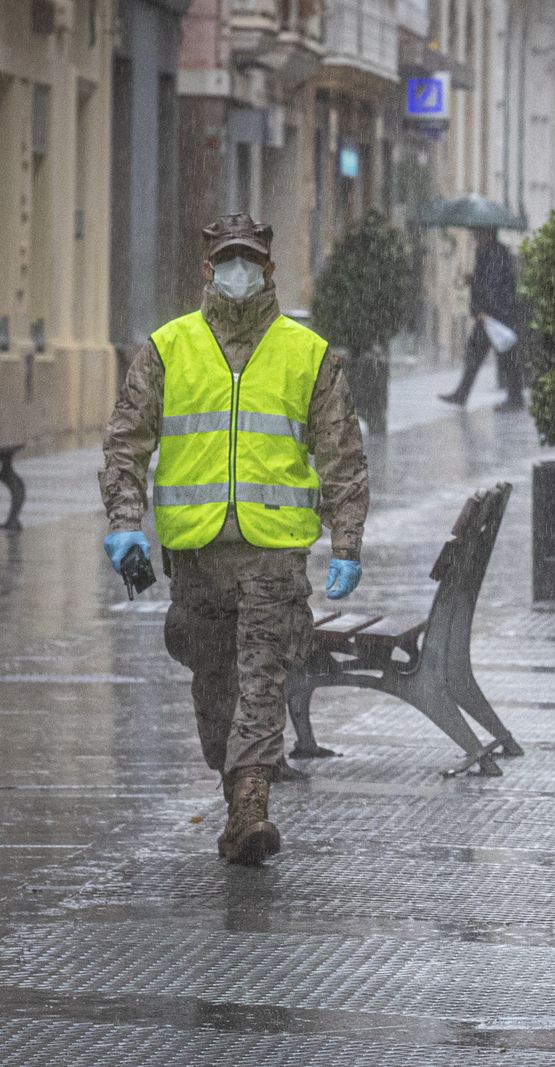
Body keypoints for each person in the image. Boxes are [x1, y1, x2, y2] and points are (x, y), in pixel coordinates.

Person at [99, 212, 369, 865]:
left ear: (269, 270)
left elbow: (342, 456)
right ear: (208, 268)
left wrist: (348, 541)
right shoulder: (168, 348)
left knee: (261, 675)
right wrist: (124, 523)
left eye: (249, 260)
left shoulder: (309, 355)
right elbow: (125, 445)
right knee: (214, 681)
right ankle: (236, 797)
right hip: (195, 555)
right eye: (228, 260)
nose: (239, 271)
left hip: (274, 552)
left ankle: (252, 804)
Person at [439, 225, 526, 411]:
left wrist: (484, 310)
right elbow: (489, 280)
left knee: (501, 356)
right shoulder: (489, 251)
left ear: (487, 232)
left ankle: (513, 398)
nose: (474, 235)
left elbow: (493, 284)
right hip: (495, 313)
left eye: (477, 232)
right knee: (485, 354)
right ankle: (464, 393)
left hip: (494, 315)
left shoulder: (494, 252)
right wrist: (475, 278)